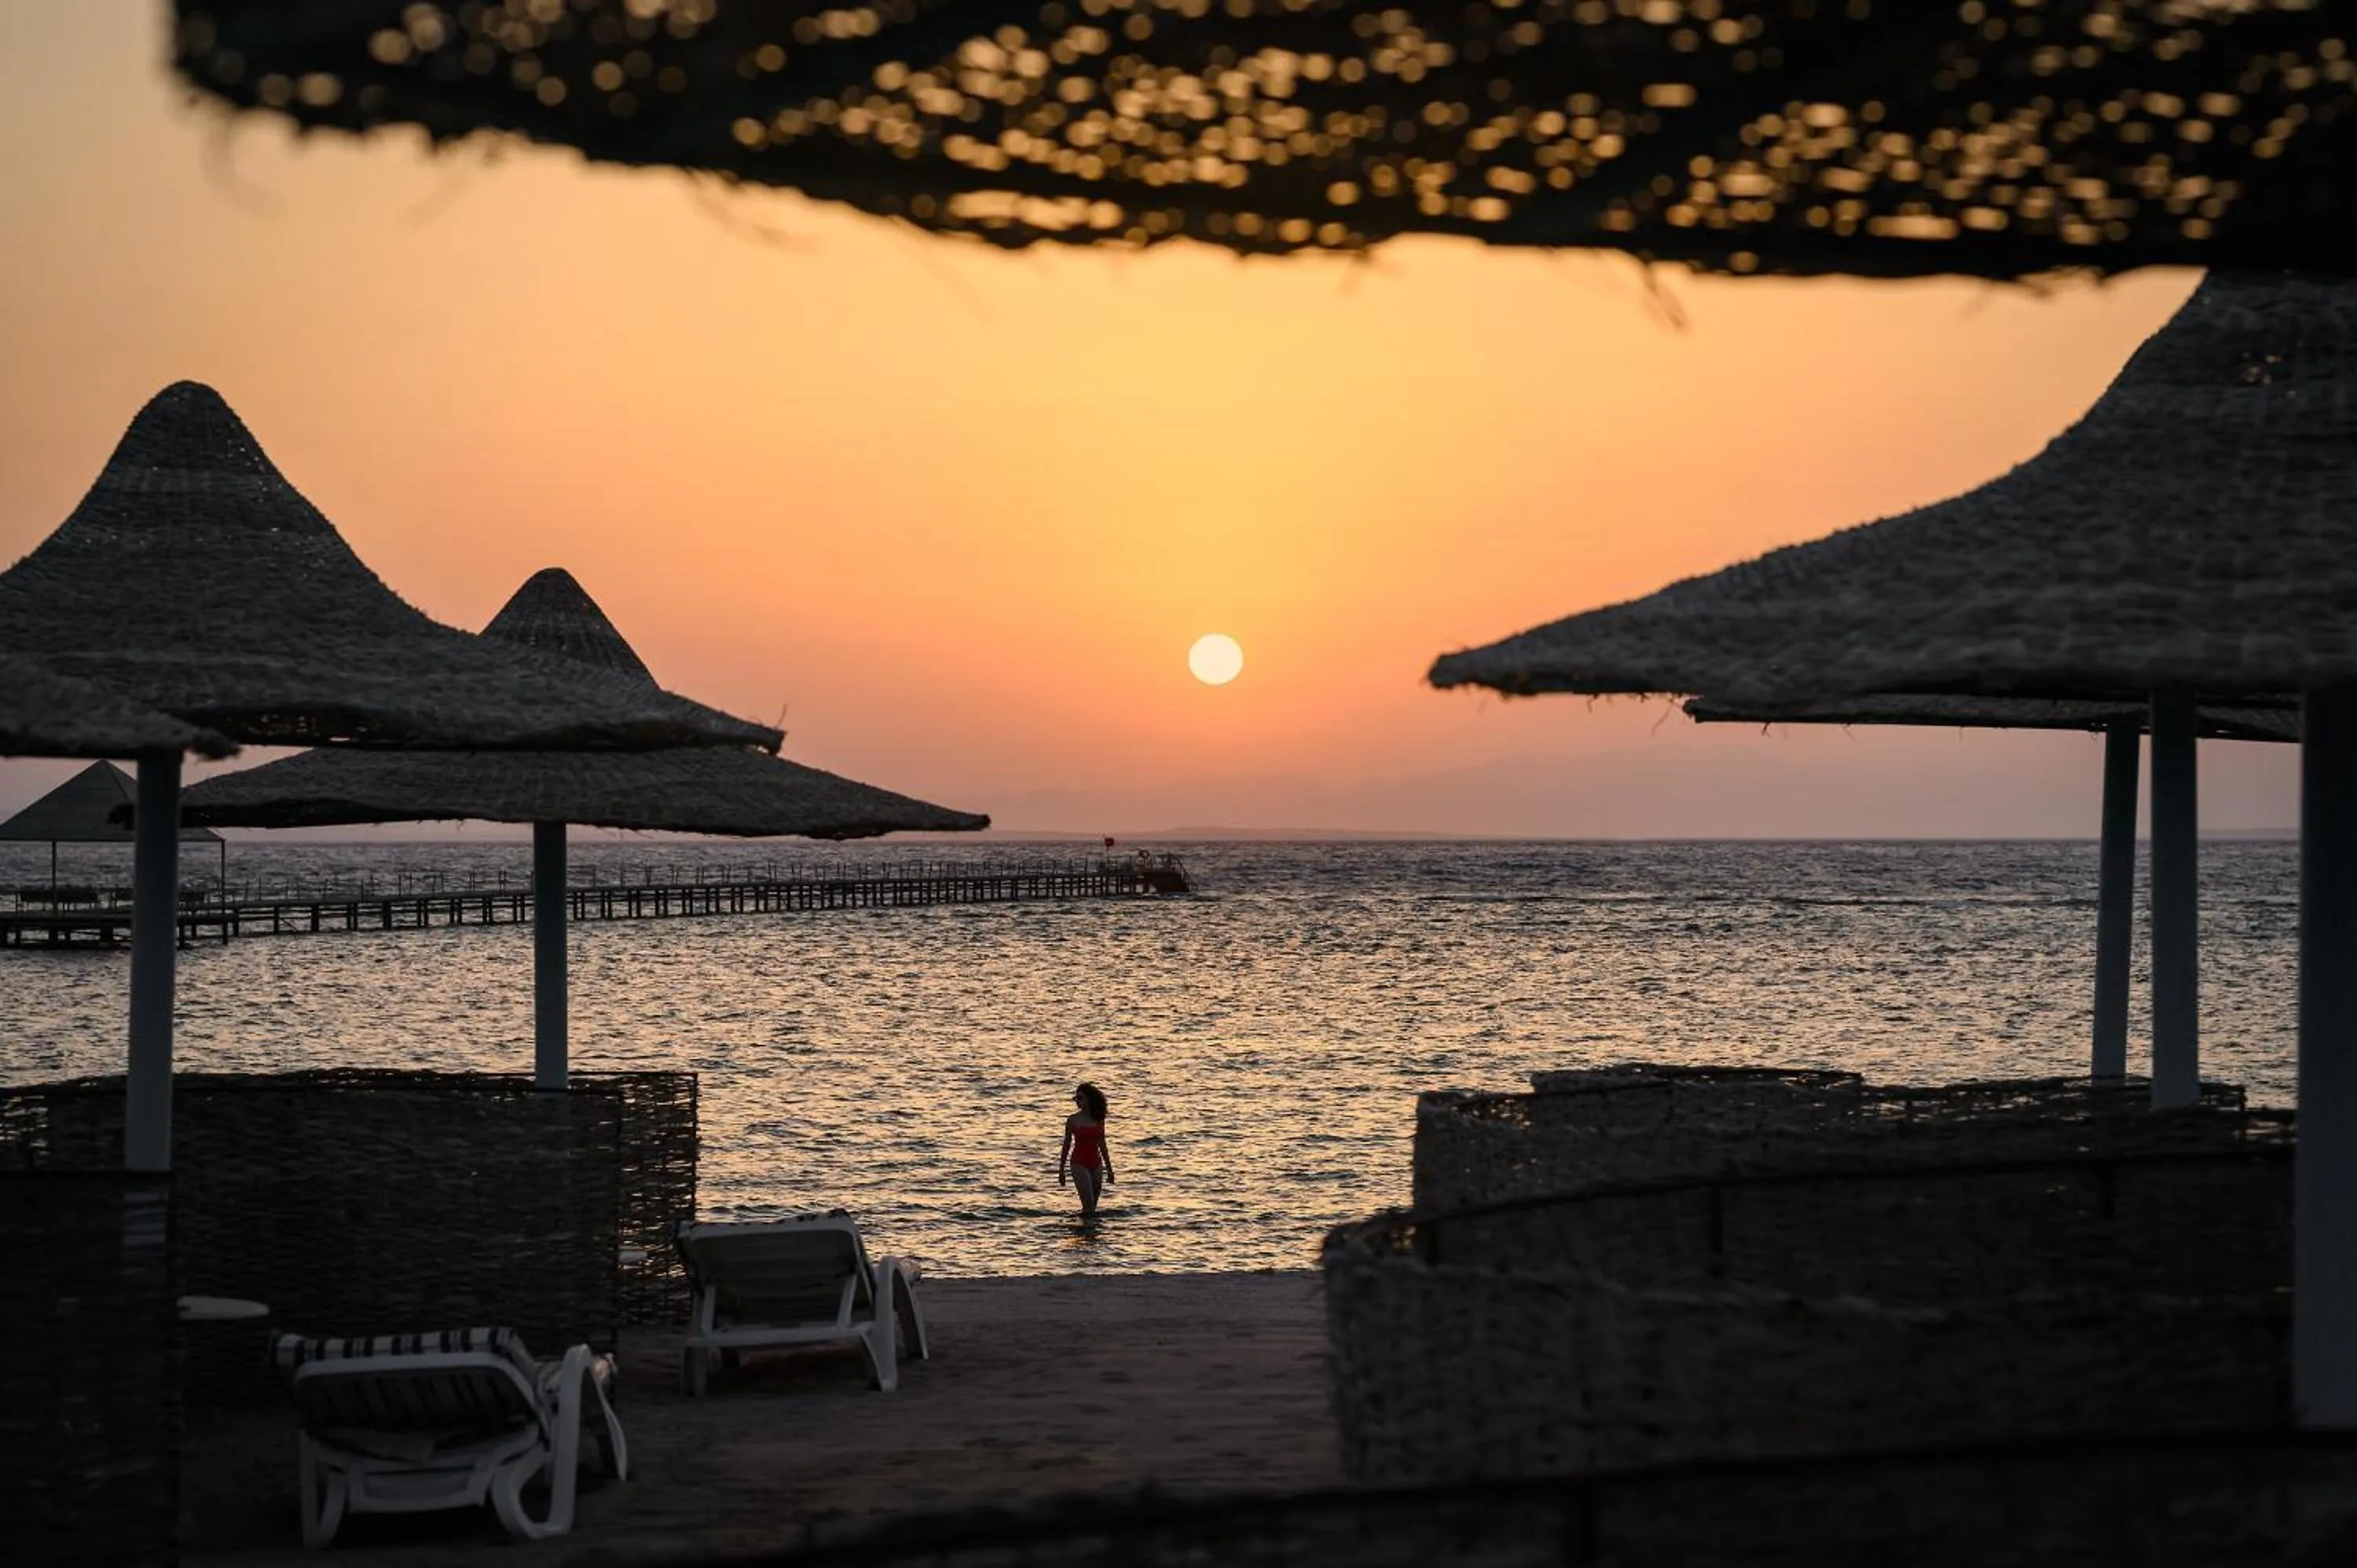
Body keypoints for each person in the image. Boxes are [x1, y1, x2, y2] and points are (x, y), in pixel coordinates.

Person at [1058, 1082, 1115, 1218]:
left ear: (1089, 1099)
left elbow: (1102, 1143)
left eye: (1081, 1098)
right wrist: (1061, 1170)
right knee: (1088, 1203)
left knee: (1093, 1206)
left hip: (1096, 1163)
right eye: (1076, 1099)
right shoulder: (1073, 1120)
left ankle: (1090, 1235)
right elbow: (1066, 1145)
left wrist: (1109, 1169)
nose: (1077, 1102)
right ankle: (1085, 1233)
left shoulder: (1099, 1119)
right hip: (1079, 1163)